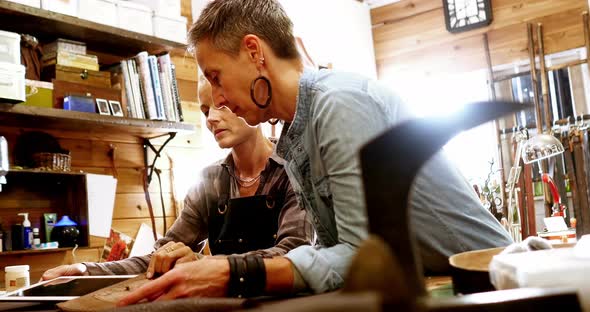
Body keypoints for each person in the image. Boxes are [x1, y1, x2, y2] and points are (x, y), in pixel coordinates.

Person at [118, 0, 512, 305]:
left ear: (254, 51)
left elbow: (363, 257)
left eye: (216, 78)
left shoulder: (340, 104)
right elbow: (333, 253)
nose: (217, 99)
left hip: (497, 288)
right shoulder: (298, 131)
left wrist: (232, 271)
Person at [41, 73, 312, 281]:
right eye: (206, 110)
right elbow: (160, 255)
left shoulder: (293, 170)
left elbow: (292, 253)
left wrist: (203, 264)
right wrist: (87, 270)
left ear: (249, 102)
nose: (211, 119)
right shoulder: (209, 181)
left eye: (222, 105)